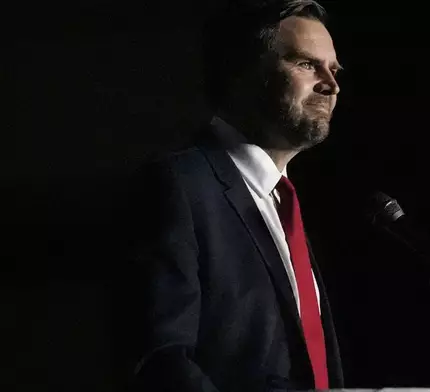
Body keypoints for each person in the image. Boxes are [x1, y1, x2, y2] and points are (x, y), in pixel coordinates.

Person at [127, 1, 344, 391]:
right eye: (306, 65)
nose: (331, 84)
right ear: (243, 74)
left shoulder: (284, 209)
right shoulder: (181, 185)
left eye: (334, 69)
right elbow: (162, 357)